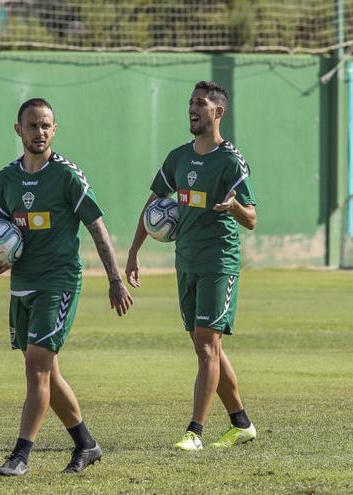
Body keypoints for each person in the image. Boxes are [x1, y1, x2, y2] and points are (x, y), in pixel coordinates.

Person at [0, 98, 133, 476]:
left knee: (37, 370)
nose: (40, 132)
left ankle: (20, 455)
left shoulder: (67, 175)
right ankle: (86, 444)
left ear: (55, 129)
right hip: (22, 286)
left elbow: (97, 226)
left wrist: (115, 279)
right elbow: (4, 240)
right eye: (32, 125)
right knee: (48, 372)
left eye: (46, 125)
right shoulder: (6, 180)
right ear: (19, 130)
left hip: (59, 283)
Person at [126, 81, 258, 450]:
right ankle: (241, 423)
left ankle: (194, 432)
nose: (193, 108)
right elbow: (153, 206)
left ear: (218, 112)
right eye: (190, 103)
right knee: (208, 347)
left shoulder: (230, 160)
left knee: (205, 345)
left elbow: (251, 219)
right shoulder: (178, 158)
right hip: (185, 261)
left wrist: (233, 207)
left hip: (219, 261)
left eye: (200, 103)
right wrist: (134, 252)